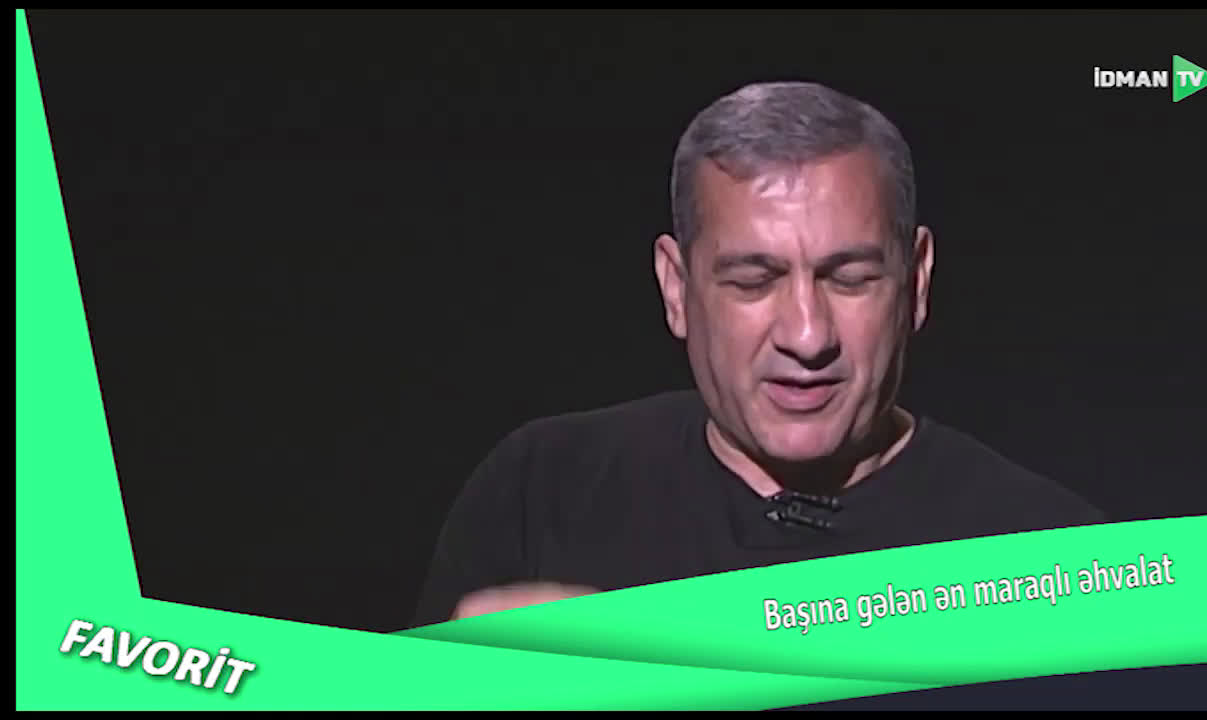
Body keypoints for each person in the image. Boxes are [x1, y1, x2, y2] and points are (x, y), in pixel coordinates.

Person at [406, 81, 1106, 628]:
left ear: (916, 282)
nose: (807, 335)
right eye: (753, 281)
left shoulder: (1054, 559)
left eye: (850, 278)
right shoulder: (538, 494)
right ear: (676, 289)